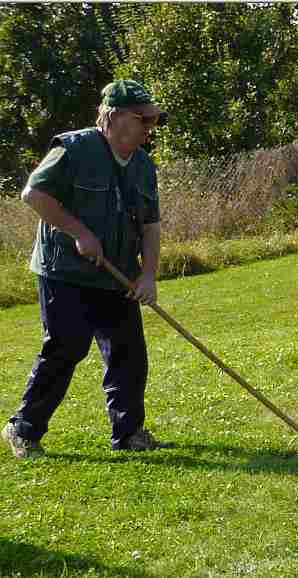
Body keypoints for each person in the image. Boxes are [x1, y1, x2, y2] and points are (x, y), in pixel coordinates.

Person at [2, 79, 171, 458]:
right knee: (66, 346)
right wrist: (79, 232)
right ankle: (23, 429)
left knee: (129, 352)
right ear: (112, 117)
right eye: (142, 119)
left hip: (118, 274)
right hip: (64, 272)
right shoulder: (74, 149)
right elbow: (34, 194)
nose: (149, 128)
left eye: (153, 120)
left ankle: (129, 435)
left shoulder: (143, 166)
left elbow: (150, 226)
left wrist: (148, 275)